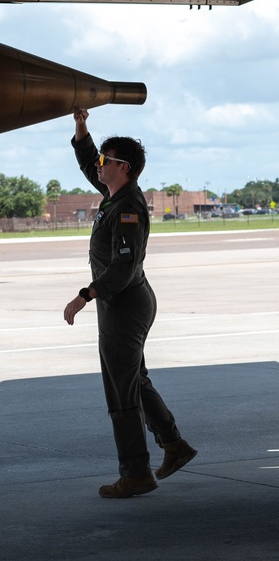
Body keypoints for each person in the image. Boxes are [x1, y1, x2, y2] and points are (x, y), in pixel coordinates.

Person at [63, 107, 197, 498]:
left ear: (122, 167)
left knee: (120, 390)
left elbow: (123, 267)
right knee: (134, 380)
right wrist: (82, 129)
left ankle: (136, 474)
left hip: (124, 302)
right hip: (122, 302)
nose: (99, 166)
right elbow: (90, 165)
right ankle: (173, 445)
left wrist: (85, 294)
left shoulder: (127, 209)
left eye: (106, 161)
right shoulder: (114, 194)